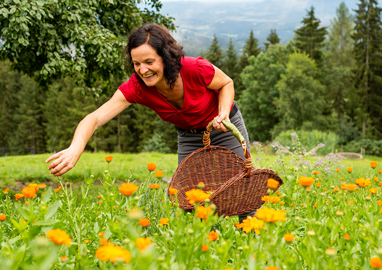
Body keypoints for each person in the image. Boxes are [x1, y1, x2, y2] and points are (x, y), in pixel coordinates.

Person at [45, 23, 254, 221]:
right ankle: (201, 244)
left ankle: (252, 238)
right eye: (136, 64)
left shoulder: (194, 68)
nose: (142, 70)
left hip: (223, 126)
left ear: (165, 57)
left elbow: (226, 82)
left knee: (244, 184)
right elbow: (95, 117)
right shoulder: (137, 86)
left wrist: (223, 113)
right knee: (187, 196)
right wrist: (75, 148)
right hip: (188, 136)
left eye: (149, 62)